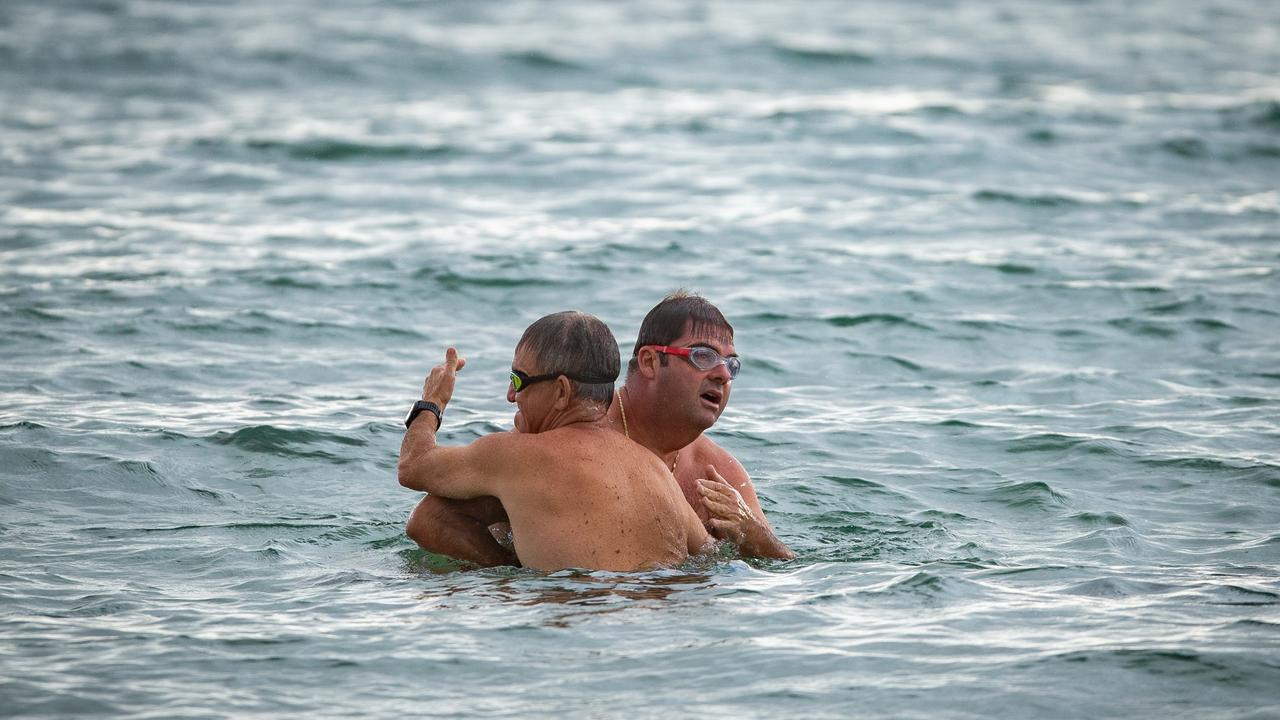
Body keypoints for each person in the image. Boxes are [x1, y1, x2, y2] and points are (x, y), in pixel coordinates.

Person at [405, 292, 794, 564]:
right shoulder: (566, 440)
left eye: (733, 365)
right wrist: (510, 573)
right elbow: (432, 518)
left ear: (560, 391)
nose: (723, 374)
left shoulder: (722, 475)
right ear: (648, 361)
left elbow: (776, 564)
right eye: (703, 356)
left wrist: (755, 536)